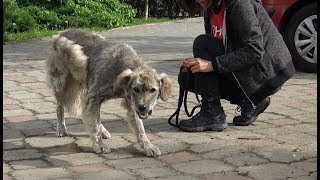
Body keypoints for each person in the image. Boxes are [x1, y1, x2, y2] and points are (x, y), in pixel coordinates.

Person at [178, 0, 295, 132]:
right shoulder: (210, 9)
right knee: (189, 76)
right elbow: (215, 51)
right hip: (251, 70)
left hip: (269, 72)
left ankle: (213, 114)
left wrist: (212, 64)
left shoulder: (240, 4)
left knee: (201, 43)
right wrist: (197, 63)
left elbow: (255, 51)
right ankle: (251, 102)